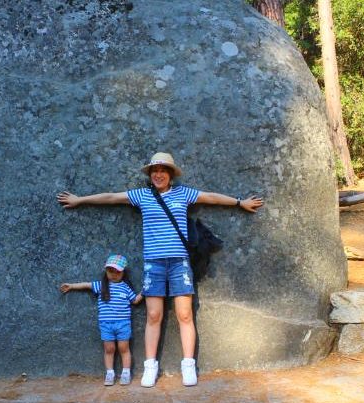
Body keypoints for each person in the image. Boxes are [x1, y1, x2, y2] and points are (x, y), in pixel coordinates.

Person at [57, 152, 264, 387]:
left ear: (171, 174)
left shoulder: (183, 193)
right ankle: (150, 366)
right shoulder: (143, 195)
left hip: (179, 262)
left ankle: (188, 365)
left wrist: (239, 202)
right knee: (154, 315)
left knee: (185, 314)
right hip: (154, 263)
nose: (158, 174)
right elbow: (112, 197)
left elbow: (210, 197)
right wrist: (80, 200)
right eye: (155, 170)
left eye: (163, 170)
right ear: (151, 174)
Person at [60, 254, 144, 386]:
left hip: (123, 324)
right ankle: (110, 373)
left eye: (117, 271)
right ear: (106, 271)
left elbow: (135, 300)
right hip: (106, 325)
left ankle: (126, 372)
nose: (114, 274)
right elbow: (86, 285)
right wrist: (71, 286)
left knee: (124, 348)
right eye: (110, 270)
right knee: (109, 349)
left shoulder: (126, 287)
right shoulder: (101, 285)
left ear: (123, 272)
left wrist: (147, 290)